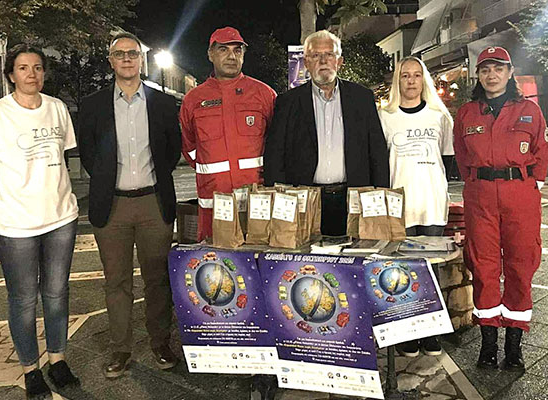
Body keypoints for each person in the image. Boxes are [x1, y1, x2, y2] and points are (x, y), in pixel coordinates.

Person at [0, 44, 80, 399]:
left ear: (44, 72)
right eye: (22, 68)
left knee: (57, 293)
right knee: (23, 298)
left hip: (60, 217)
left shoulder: (57, 108)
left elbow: (64, 157)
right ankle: (31, 369)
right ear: (11, 74)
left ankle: (57, 360)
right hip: (14, 225)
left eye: (37, 67)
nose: (31, 74)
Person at [78, 32, 181, 378]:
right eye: (120, 54)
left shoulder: (162, 103)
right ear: (111, 61)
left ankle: (160, 343)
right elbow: (89, 154)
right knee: (116, 281)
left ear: (141, 60)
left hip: (153, 203)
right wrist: (108, 179)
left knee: (157, 279)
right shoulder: (92, 105)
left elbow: (172, 150)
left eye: (133, 53)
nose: (126, 59)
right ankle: (120, 349)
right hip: (113, 206)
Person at [453, 46, 548, 371]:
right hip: (480, 196)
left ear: (509, 73)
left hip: (519, 195)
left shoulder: (529, 110)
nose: (491, 75)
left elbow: (541, 151)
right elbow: (461, 154)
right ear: (478, 76)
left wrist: (532, 186)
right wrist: (475, 182)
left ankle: (514, 345)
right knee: (483, 267)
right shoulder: (467, 113)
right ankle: (488, 345)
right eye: (485, 70)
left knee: (521, 265)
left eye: (498, 69)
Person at [263, 30, 389, 236]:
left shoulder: (362, 98)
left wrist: (381, 194)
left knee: (354, 254)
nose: (323, 61)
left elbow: (377, 151)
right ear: (306, 62)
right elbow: (274, 155)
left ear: (339, 61)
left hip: (354, 199)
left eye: (329, 54)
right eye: (315, 55)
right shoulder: (287, 102)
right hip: (305, 201)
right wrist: (279, 198)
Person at [378, 56, 454, 357]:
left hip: (432, 202)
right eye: (405, 75)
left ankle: (431, 333)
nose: (411, 81)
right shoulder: (386, 116)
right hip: (401, 206)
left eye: (416, 75)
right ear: (397, 80)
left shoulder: (439, 116)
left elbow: (447, 160)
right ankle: (408, 333)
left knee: (431, 270)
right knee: (402, 271)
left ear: (425, 80)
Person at [180, 26, 276, 241]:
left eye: (237, 50)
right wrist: (212, 172)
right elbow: (190, 148)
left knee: (259, 253)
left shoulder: (264, 94)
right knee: (216, 258)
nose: (232, 56)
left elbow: (276, 144)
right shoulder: (194, 99)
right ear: (210, 54)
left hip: (257, 200)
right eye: (223, 49)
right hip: (215, 200)